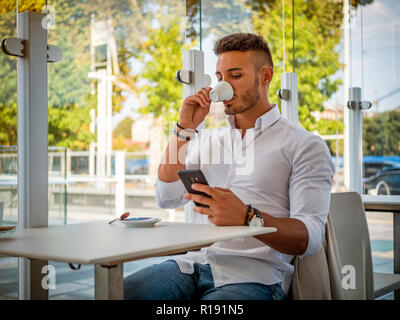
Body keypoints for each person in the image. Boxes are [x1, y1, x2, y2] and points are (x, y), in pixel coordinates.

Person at [124, 33, 335, 300]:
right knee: (120, 293)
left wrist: (249, 217)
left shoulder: (304, 145)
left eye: (235, 76)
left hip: (255, 276)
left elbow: (310, 238)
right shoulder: (207, 140)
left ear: (265, 76)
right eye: (220, 78)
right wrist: (184, 128)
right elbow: (166, 197)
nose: (223, 86)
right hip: (192, 265)